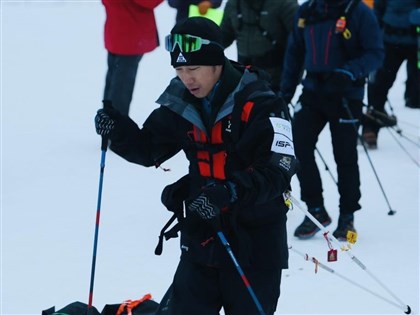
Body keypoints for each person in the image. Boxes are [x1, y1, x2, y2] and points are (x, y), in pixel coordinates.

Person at [95, 17, 297, 315]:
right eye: (179, 70)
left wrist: (229, 191)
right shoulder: (182, 100)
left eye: (193, 69)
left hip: (254, 241)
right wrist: (118, 129)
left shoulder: (262, 103)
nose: (187, 78)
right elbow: (149, 149)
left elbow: (279, 168)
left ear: (217, 62)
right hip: (203, 234)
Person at [279, 0, 384, 240]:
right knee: (297, 147)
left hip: (347, 93)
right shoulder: (306, 11)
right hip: (313, 90)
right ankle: (315, 209)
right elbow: (295, 52)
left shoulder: (358, 12)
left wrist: (349, 72)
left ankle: (347, 216)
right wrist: (284, 93)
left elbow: (375, 53)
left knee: (345, 155)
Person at [363, 0, 419, 148]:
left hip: (416, 43)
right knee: (377, 86)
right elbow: (378, 9)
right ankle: (370, 129)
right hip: (389, 41)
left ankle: (370, 127)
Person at [220, 0, 299, 93]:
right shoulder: (234, 4)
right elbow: (222, 37)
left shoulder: (284, 3)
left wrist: (290, 84)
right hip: (243, 79)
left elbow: (299, 45)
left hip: (275, 81)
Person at [102, 0, 163, 116]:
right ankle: (116, 126)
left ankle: (107, 121)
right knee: (121, 89)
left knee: (113, 82)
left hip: (117, 33)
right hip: (130, 37)